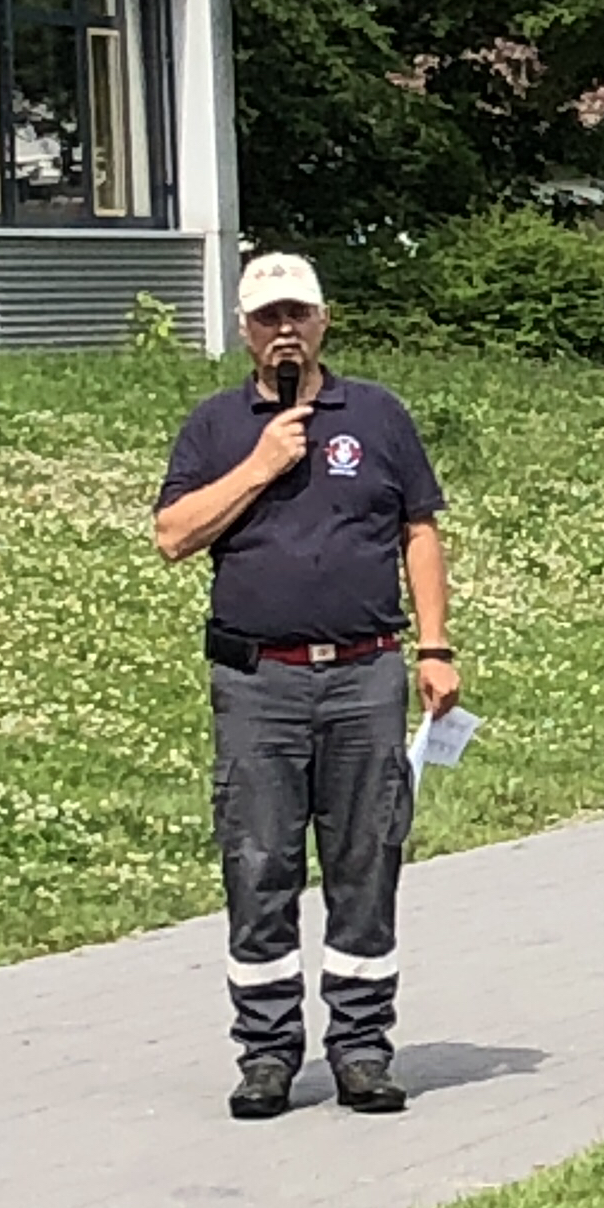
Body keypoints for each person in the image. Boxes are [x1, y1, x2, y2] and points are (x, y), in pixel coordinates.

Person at [152, 253, 460, 1120]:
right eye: (266, 318)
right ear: (244, 331)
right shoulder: (217, 427)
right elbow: (172, 536)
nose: (283, 331)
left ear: (324, 321)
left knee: (366, 858)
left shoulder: (378, 415)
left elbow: (419, 532)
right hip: (259, 683)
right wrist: (258, 465)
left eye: (298, 315)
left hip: (365, 673)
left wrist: (434, 648)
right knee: (259, 862)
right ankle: (266, 1053)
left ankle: (362, 1047)